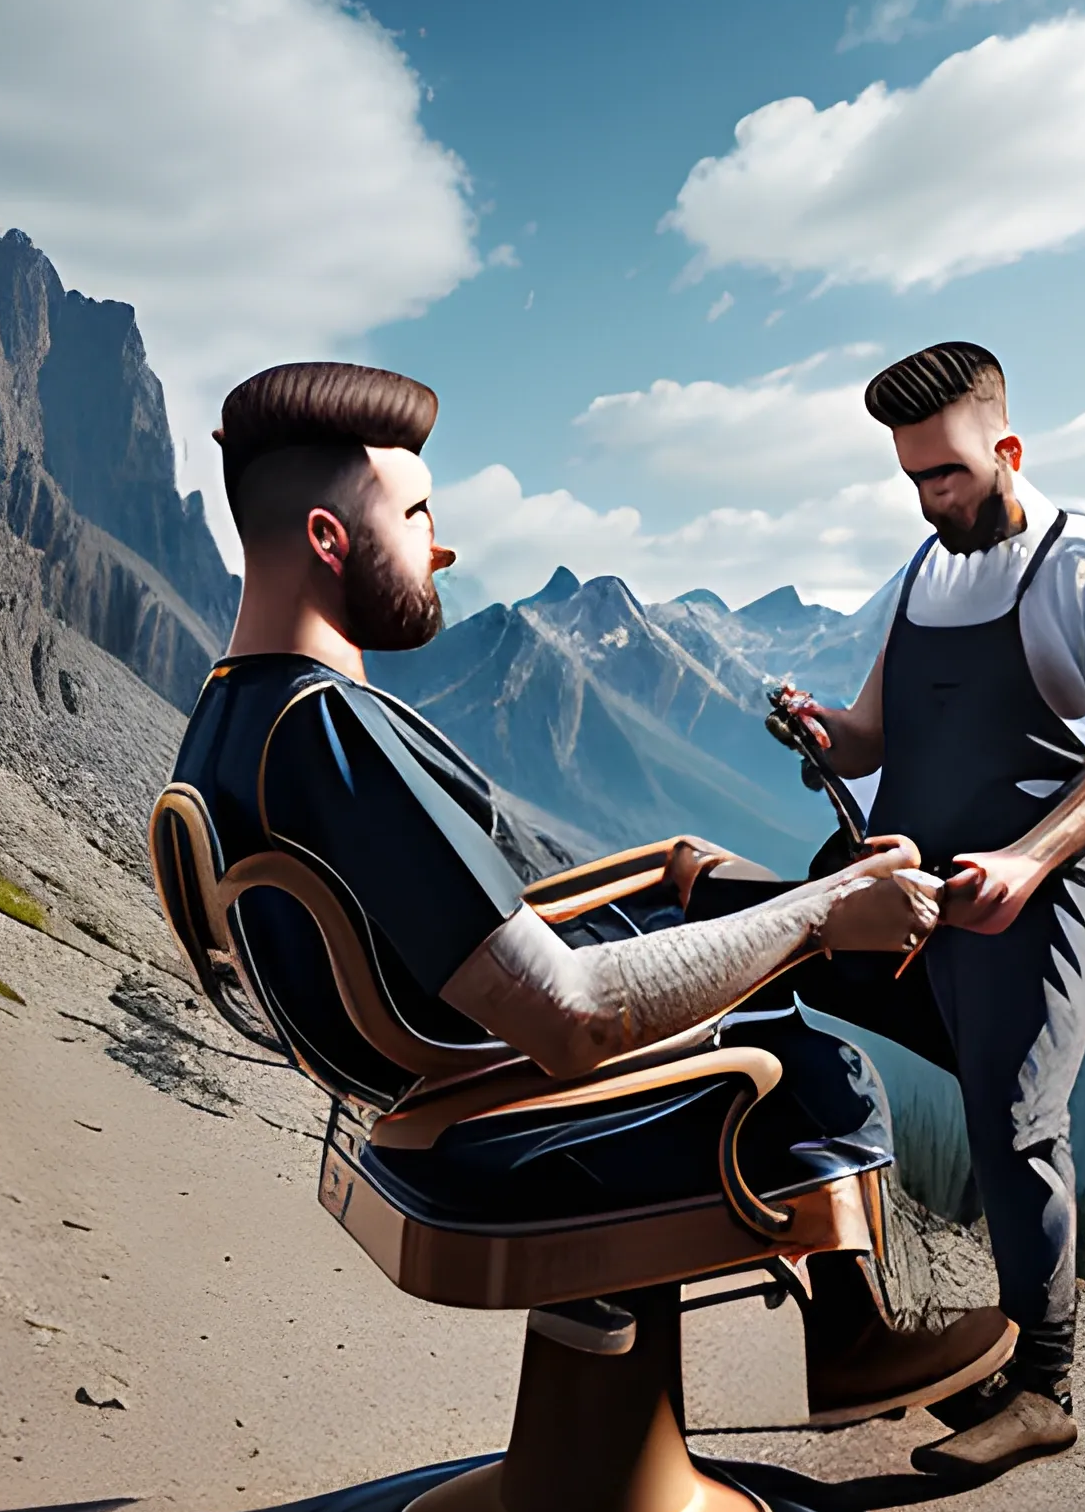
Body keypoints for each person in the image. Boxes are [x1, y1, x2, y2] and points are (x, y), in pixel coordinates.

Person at [170, 360, 1012, 1423]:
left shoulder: (234, 710)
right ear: (331, 542)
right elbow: (568, 1017)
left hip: (432, 1048)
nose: (442, 546)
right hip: (486, 1102)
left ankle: (876, 958)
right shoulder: (330, 735)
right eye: (418, 514)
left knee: (702, 882)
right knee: (814, 1062)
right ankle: (851, 1340)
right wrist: (812, 919)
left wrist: (705, 887)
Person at [778, 340, 1085, 1481]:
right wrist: (823, 733)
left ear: (1006, 448)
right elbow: (873, 734)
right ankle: (865, 1313)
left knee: (1014, 1124)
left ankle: (1041, 1384)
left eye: (944, 473)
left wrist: (1027, 860)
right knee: (792, 975)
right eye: (910, 478)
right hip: (909, 895)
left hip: (1017, 900)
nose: (928, 497)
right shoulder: (925, 569)